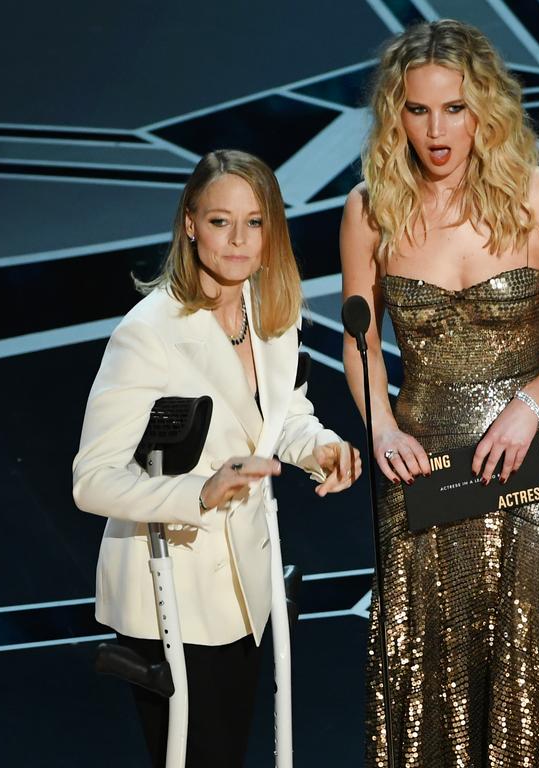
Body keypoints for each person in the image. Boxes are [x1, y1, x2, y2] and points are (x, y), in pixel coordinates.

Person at [340, 20, 539, 767]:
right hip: (423, 464)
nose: (437, 131)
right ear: (395, 115)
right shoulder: (370, 210)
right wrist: (380, 428)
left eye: (455, 109)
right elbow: (360, 339)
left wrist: (528, 405)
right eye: (419, 110)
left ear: (485, 110)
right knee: (435, 664)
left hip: (529, 458)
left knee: (535, 661)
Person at [73, 149, 361, 768]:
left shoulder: (275, 316)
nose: (238, 240)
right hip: (170, 588)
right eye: (220, 221)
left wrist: (320, 449)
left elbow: (281, 418)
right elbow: (93, 480)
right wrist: (200, 493)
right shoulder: (147, 332)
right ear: (190, 224)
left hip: (243, 588)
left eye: (255, 222)